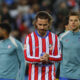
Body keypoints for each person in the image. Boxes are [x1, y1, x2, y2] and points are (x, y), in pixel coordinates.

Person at [24, 11, 62, 80]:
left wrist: (49, 58)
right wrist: (39, 59)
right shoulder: (29, 37)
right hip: (34, 77)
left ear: (49, 24)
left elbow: (59, 57)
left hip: (50, 76)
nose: (42, 27)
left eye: (44, 25)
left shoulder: (54, 37)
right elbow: (27, 57)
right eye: (40, 24)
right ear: (36, 23)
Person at [59, 11, 80, 80]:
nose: (73, 22)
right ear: (68, 22)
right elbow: (57, 55)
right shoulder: (62, 37)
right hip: (64, 74)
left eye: (75, 20)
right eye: (71, 20)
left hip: (78, 75)